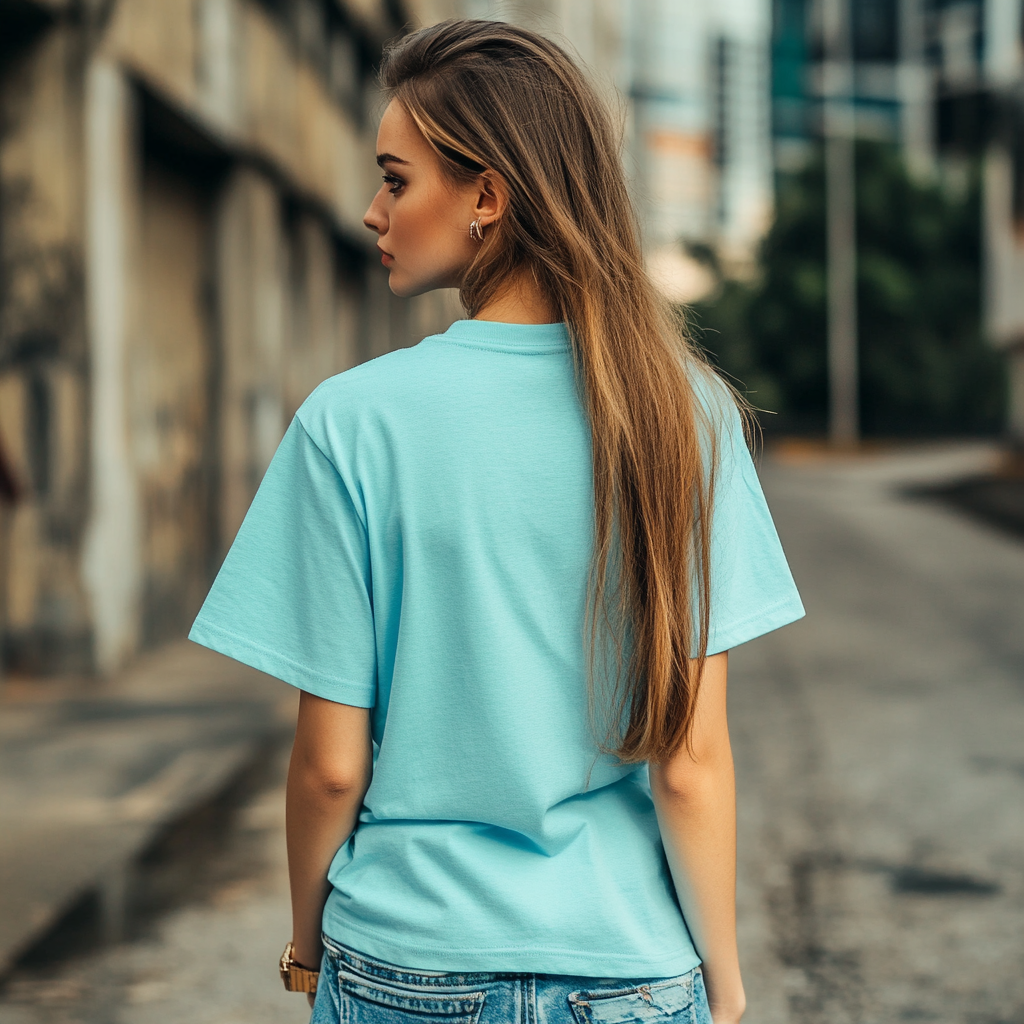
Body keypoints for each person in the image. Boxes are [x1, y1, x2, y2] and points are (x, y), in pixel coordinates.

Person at [189, 18, 804, 1024]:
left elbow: (330, 763)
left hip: (405, 962)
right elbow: (690, 766)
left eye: (395, 178)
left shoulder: (351, 422)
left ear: (487, 196)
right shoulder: (683, 416)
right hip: (628, 969)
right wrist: (722, 989)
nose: (370, 209)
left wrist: (307, 944)